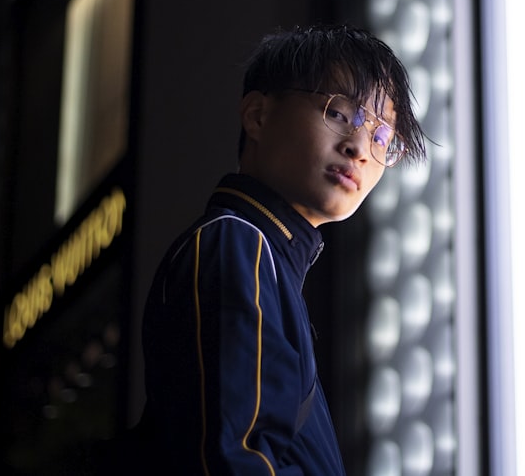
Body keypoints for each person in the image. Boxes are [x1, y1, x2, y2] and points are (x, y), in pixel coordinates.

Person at [135, 23, 426, 474]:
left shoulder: (265, 258)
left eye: (382, 136)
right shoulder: (238, 242)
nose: (360, 149)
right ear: (257, 116)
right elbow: (236, 457)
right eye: (339, 113)